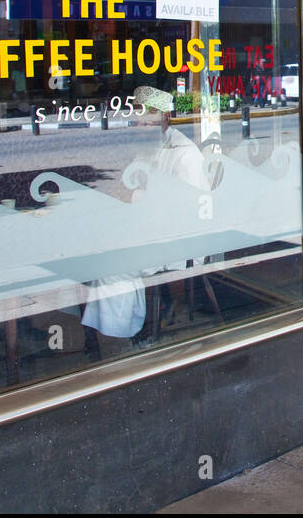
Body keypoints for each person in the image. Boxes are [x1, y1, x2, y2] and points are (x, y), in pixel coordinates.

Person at [82, 86, 210, 343]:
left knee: (114, 265)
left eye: (146, 119)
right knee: (90, 249)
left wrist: (135, 201)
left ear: (165, 118)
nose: (139, 125)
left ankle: (118, 336)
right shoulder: (146, 148)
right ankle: (108, 330)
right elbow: (128, 187)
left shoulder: (184, 154)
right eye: (137, 119)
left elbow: (190, 213)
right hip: (146, 231)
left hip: (178, 243)